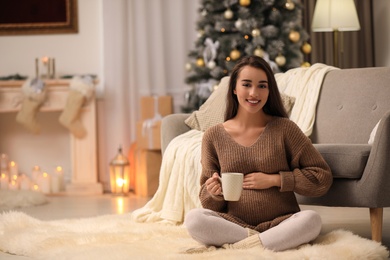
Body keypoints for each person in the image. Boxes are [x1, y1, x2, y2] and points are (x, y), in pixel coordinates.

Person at [184, 55, 333, 252]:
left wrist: (276, 180)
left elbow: (321, 178)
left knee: (311, 220)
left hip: (282, 223)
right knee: (194, 219)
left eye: (262, 86)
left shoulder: (285, 129)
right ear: (234, 88)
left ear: (269, 91)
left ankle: (242, 246)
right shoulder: (213, 136)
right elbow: (208, 202)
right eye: (247, 84)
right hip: (233, 223)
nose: (254, 93)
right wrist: (213, 192)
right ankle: (264, 244)